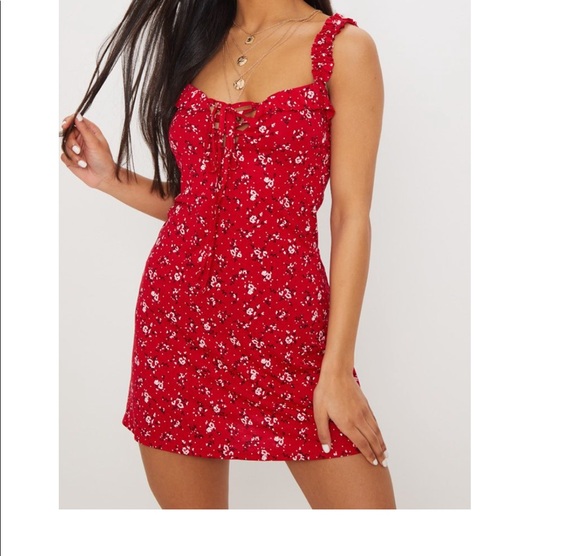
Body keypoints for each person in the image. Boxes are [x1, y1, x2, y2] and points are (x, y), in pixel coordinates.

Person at [60, 0, 396, 509]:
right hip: (178, 324)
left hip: (288, 330)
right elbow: (203, 204)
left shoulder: (344, 49)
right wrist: (112, 178)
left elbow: (351, 217)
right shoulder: (198, 43)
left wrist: (337, 369)